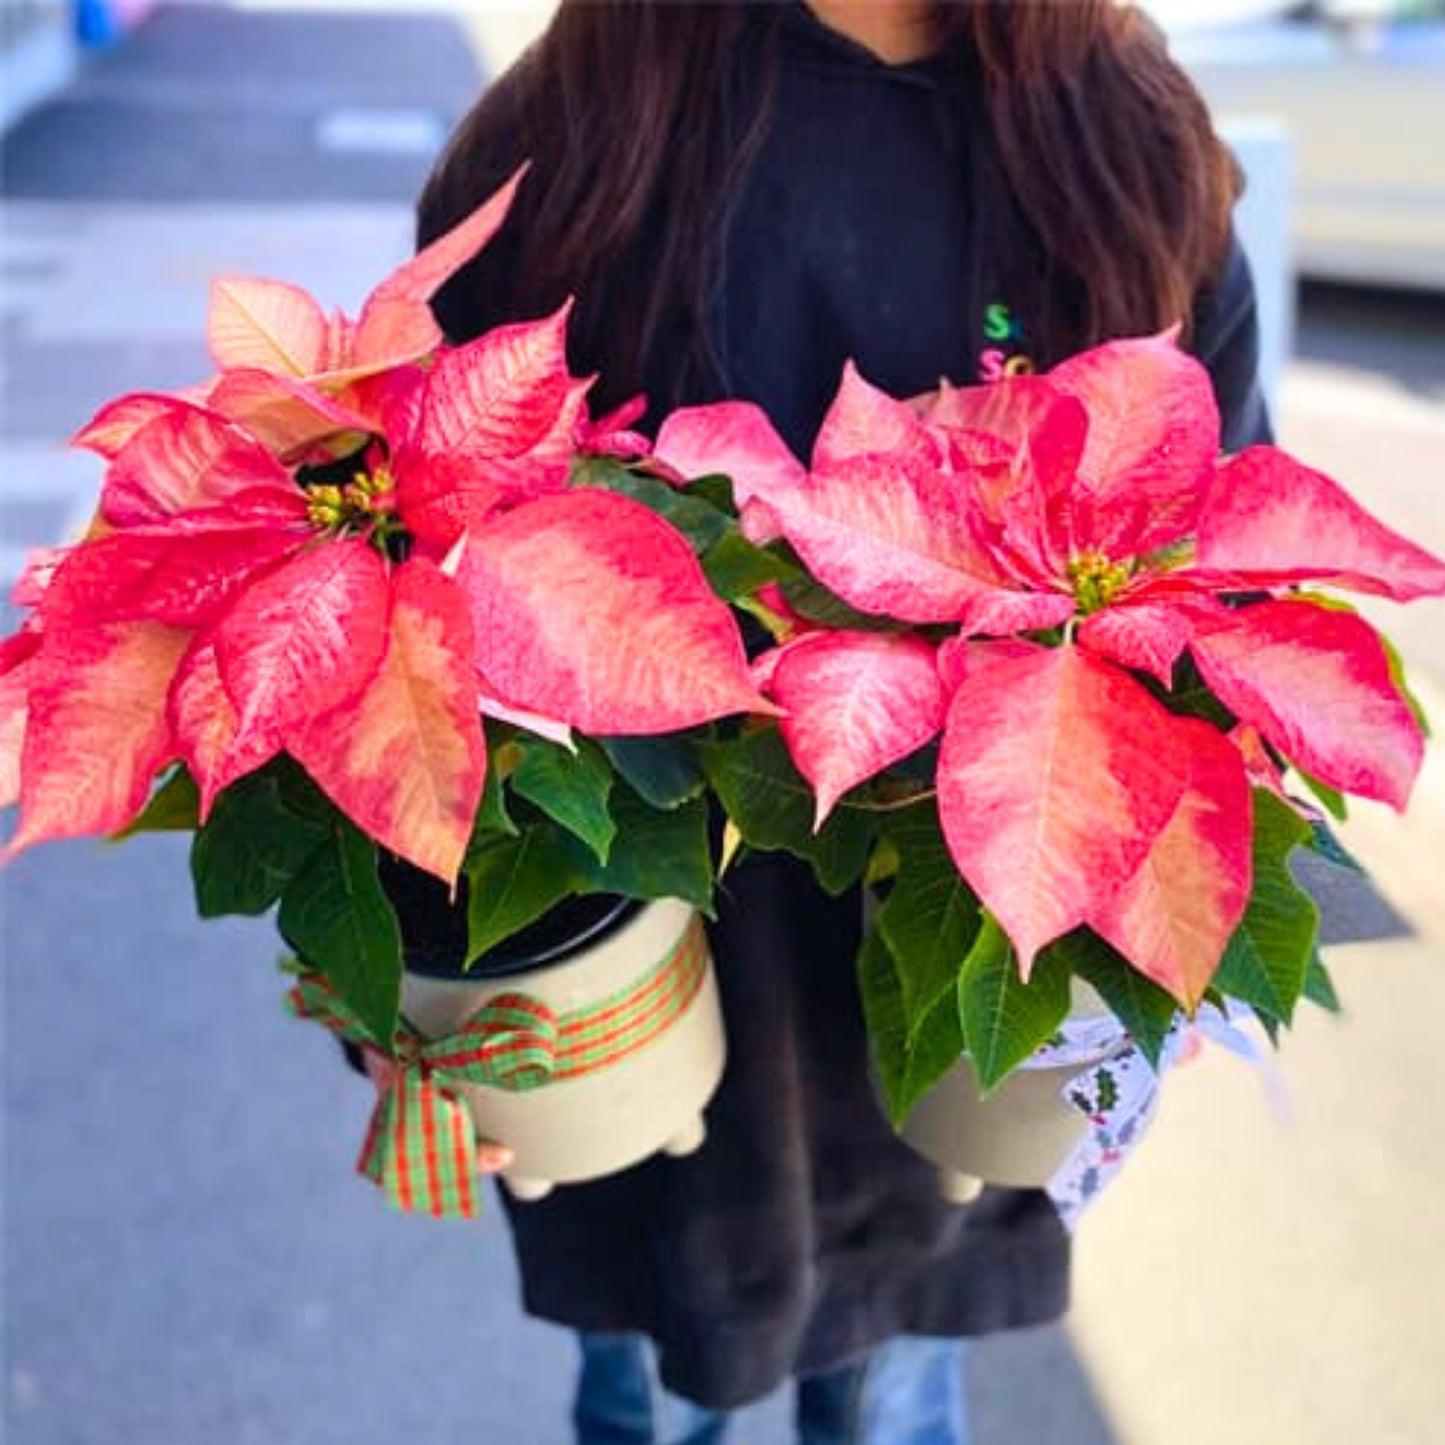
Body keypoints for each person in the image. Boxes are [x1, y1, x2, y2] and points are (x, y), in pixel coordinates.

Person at [391, 3, 1270, 1442]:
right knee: (647, 1403)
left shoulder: (1124, 143)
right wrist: (405, 1004)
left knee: (897, 1404)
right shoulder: (574, 138)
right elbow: (403, 626)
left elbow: (1220, 592)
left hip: (954, 1027)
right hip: (633, 1019)